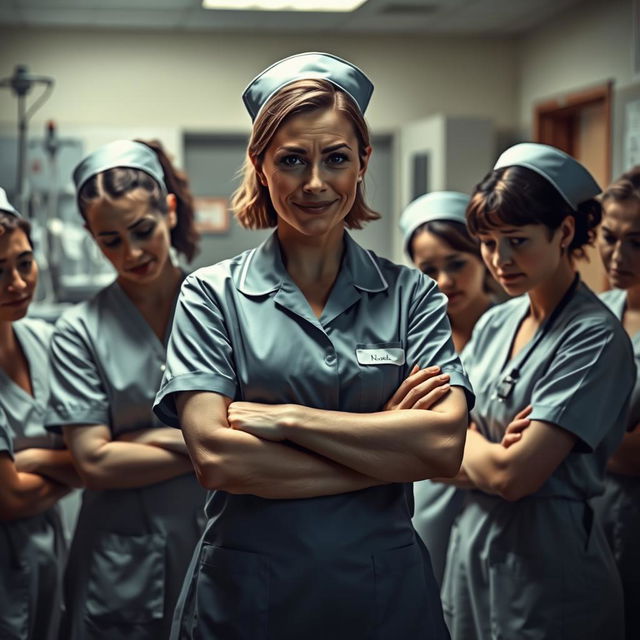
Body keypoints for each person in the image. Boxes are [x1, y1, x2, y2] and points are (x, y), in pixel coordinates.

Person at [153, 52, 473, 640]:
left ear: (363, 162)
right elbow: (218, 460)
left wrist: (290, 420)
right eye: (292, 160)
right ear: (260, 164)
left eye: (337, 158)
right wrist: (383, 446)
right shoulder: (211, 295)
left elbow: (443, 448)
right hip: (246, 594)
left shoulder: (413, 296)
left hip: (384, 593)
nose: (316, 183)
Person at [440, 143, 636, 639]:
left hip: (550, 563)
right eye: (487, 242)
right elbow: (432, 435)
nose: (499, 260)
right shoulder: (496, 321)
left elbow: (513, 477)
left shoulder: (594, 336)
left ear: (565, 231)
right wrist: (478, 448)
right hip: (473, 548)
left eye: (517, 240)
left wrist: (462, 443)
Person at [46, 140, 207, 640]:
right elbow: (94, 463)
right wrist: (204, 443)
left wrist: (133, 442)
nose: (132, 253)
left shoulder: (220, 306)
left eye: (143, 231)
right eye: (110, 240)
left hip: (216, 543)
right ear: (92, 238)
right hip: (117, 563)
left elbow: (258, 432)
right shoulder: (79, 331)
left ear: (170, 211)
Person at [399, 191, 495, 586]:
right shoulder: (410, 338)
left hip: (498, 507)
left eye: (457, 264)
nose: (445, 282)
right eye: (429, 269)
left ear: (483, 258)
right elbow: (402, 434)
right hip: (425, 502)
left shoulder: (513, 328)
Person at [0, 188, 79, 640]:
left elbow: (91, 456)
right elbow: (8, 499)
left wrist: (31, 463)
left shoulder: (43, 341)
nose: (16, 283)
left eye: (24, 263)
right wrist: (79, 465)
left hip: (50, 552)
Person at [592, 166, 640, 639]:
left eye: (638, 242)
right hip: (590, 512)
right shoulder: (602, 309)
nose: (618, 255)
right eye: (609, 235)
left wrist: (558, 434)